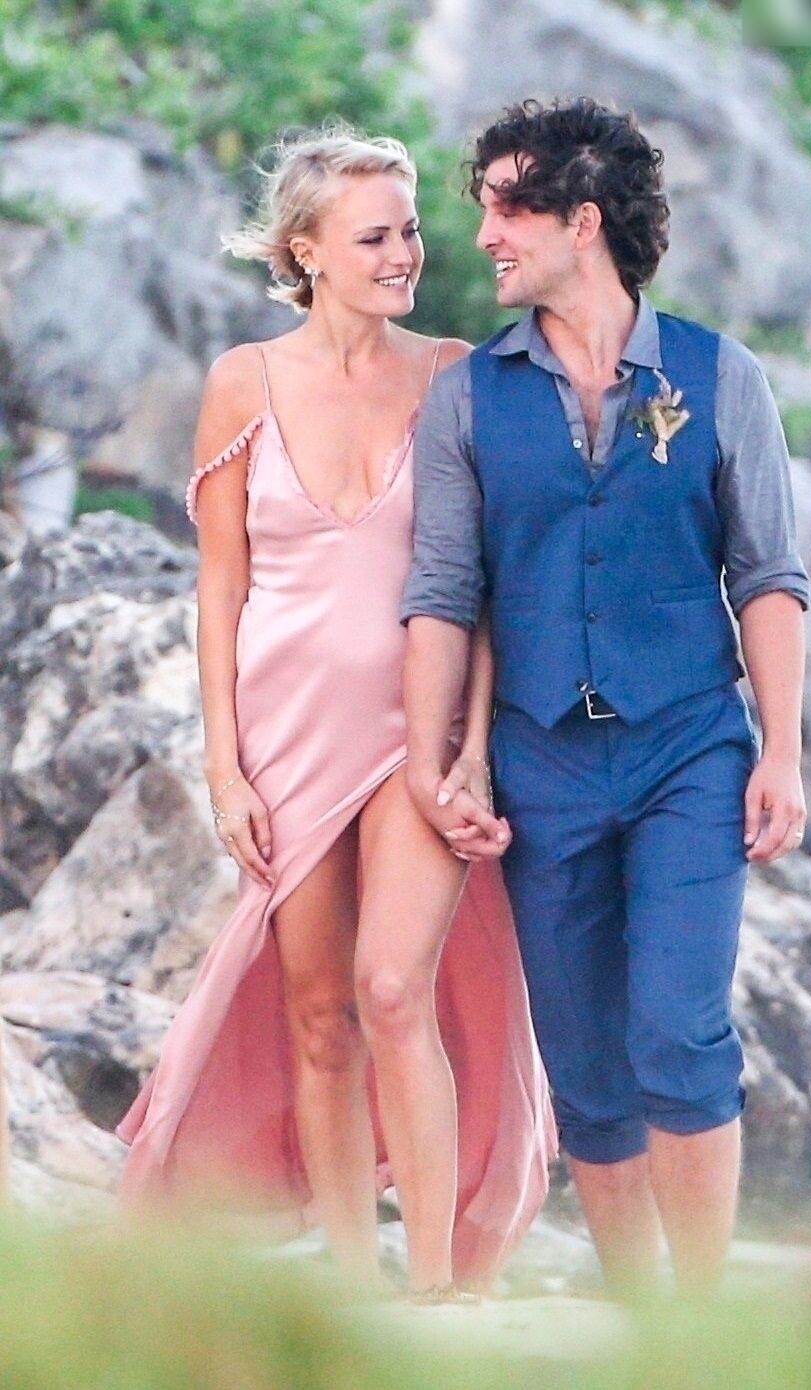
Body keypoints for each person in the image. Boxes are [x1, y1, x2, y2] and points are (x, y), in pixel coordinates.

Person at [116, 126, 555, 1299]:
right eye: (374, 237)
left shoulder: (458, 374)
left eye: (409, 230)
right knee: (320, 1015)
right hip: (286, 737)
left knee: (394, 989)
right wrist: (225, 769)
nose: (404, 253)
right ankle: (359, 1293)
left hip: (419, 733)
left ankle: (438, 1289)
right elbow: (221, 585)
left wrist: (473, 747)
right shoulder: (242, 382)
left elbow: (489, 584)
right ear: (305, 251)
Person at [402, 98, 810, 1298]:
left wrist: (782, 751)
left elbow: (768, 576)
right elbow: (444, 590)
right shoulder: (469, 396)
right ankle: (640, 1320)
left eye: (507, 208)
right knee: (583, 1061)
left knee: (678, 1030)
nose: (483, 233)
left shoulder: (720, 377)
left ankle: (704, 1322)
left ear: (582, 221)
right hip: (542, 761)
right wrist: (437, 761)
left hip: (690, 748)